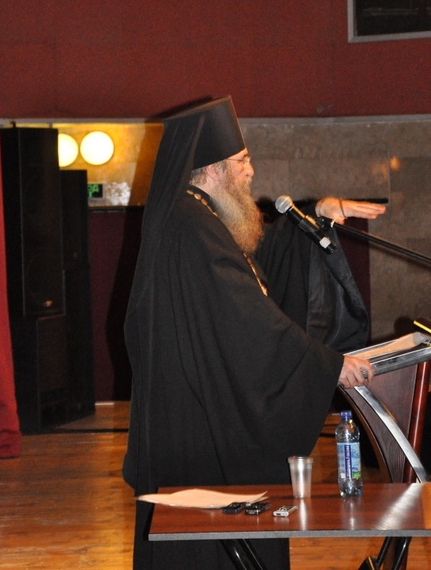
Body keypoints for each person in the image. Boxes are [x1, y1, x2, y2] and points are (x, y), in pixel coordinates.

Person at [123, 97, 385, 570]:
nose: (251, 171)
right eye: (242, 162)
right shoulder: (192, 229)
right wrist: (327, 364)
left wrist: (315, 213)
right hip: (199, 428)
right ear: (213, 169)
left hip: (197, 413)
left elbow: (254, 263)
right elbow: (244, 319)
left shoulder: (198, 219)